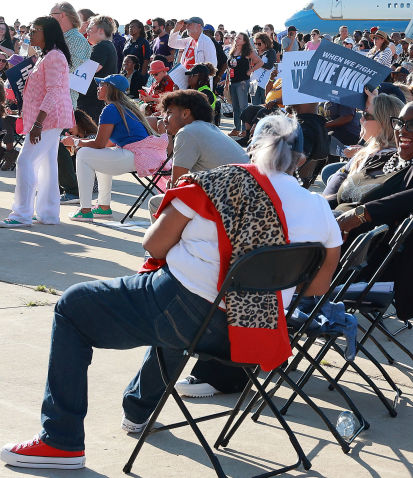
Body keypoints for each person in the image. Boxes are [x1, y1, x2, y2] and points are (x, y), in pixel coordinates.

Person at [0, 115, 342, 469]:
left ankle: (61, 441)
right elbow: (317, 286)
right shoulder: (319, 208)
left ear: (252, 148)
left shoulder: (213, 183)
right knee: (184, 309)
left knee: (74, 306)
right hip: (253, 334)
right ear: (300, 159)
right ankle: (139, 409)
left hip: (185, 314)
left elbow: (154, 245)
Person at [337, 101, 413, 320]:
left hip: (367, 257)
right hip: (337, 238)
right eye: (399, 123)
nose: (402, 130)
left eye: (412, 124)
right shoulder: (384, 158)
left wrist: (362, 214)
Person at [2, 18, 74, 228]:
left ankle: (22, 214)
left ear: (48, 33)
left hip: (48, 119)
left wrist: (38, 124)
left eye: (35, 30)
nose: (31, 34)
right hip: (48, 118)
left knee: (25, 162)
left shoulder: (53, 57)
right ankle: (48, 213)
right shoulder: (48, 56)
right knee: (46, 165)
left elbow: (52, 92)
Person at [68, 75, 168, 222]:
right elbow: (105, 145)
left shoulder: (111, 109)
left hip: (137, 155)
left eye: (101, 84)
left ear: (110, 88)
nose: (98, 87)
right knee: (97, 153)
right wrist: (80, 142)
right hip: (142, 155)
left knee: (83, 154)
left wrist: (76, 143)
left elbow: (99, 143)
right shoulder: (123, 107)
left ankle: (85, 210)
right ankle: (103, 207)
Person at [150, 89, 248, 212]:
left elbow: (176, 187)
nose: (164, 119)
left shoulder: (187, 132)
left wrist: (175, 184)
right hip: (242, 198)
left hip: (228, 205)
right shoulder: (208, 128)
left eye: (169, 113)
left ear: (185, 114)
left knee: (156, 204)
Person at [226, 32, 253, 136]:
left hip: (242, 82)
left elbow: (259, 62)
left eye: (239, 38)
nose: (236, 39)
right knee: (235, 107)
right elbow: (230, 67)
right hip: (233, 81)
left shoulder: (247, 52)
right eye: (236, 37)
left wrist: (250, 71)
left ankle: (244, 130)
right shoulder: (232, 51)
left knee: (243, 107)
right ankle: (236, 128)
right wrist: (227, 81)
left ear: (244, 41)